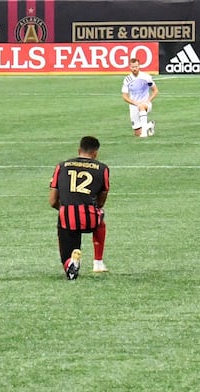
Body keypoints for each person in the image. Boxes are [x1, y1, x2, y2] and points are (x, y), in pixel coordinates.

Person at [49, 136, 111, 279]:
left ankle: (70, 262)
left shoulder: (62, 166)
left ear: (79, 150)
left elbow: (52, 201)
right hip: (91, 218)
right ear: (95, 153)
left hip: (67, 217)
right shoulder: (102, 168)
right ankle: (98, 262)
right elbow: (101, 202)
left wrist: (66, 208)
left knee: (67, 242)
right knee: (100, 215)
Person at [121, 67, 157, 137]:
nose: (134, 68)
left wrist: (148, 101)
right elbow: (125, 97)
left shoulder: (146, 77)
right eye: (133, 67)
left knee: (141, 106)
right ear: (130, 67)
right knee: (137, 133)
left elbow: (155, 90)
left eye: (136, 66)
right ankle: (150, 125)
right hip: (134, 105)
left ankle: (144, 133)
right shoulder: (127, 80)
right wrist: (135, 103)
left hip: (145, 104)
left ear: (139, 66)